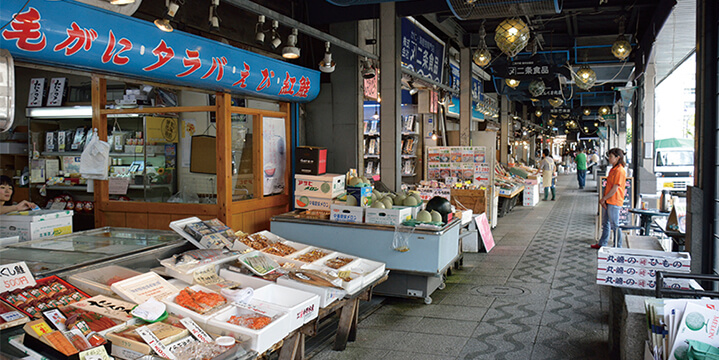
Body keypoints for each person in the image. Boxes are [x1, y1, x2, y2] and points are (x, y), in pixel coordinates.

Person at [591, 148, 628, 249]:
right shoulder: (613, 169)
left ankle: (618, 246)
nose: (609, 159)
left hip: (614, 201)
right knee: (605, 223)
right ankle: (602, 243)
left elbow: (615, 188)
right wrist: (604, 199)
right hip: (608, 200)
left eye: (611, 156)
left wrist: (604, 198)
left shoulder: (620, 170)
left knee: (615, 224)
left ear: (618, 158)